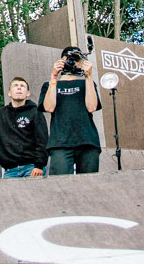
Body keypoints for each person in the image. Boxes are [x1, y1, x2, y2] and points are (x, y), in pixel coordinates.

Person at [41, 47, 101, 175]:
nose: (72, 62)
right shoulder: (49, 85)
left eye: (76, 60)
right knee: (59, 186)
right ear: (61, 61)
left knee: (89, 186)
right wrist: (54, 76)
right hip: (60, 142)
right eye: (69, 59)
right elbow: (49, 107)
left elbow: (92, 107)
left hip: (87, 141)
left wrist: (89, 76)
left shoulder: (87, 83)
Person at [0, 76, 48, 178]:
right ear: (9, 93)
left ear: (27, 93)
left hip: (32, 168)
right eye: (15, 85)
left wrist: (39, 165)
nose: (19, 88)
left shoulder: (35, 112)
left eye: (22, 86)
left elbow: (42, 140)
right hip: (10, 171)